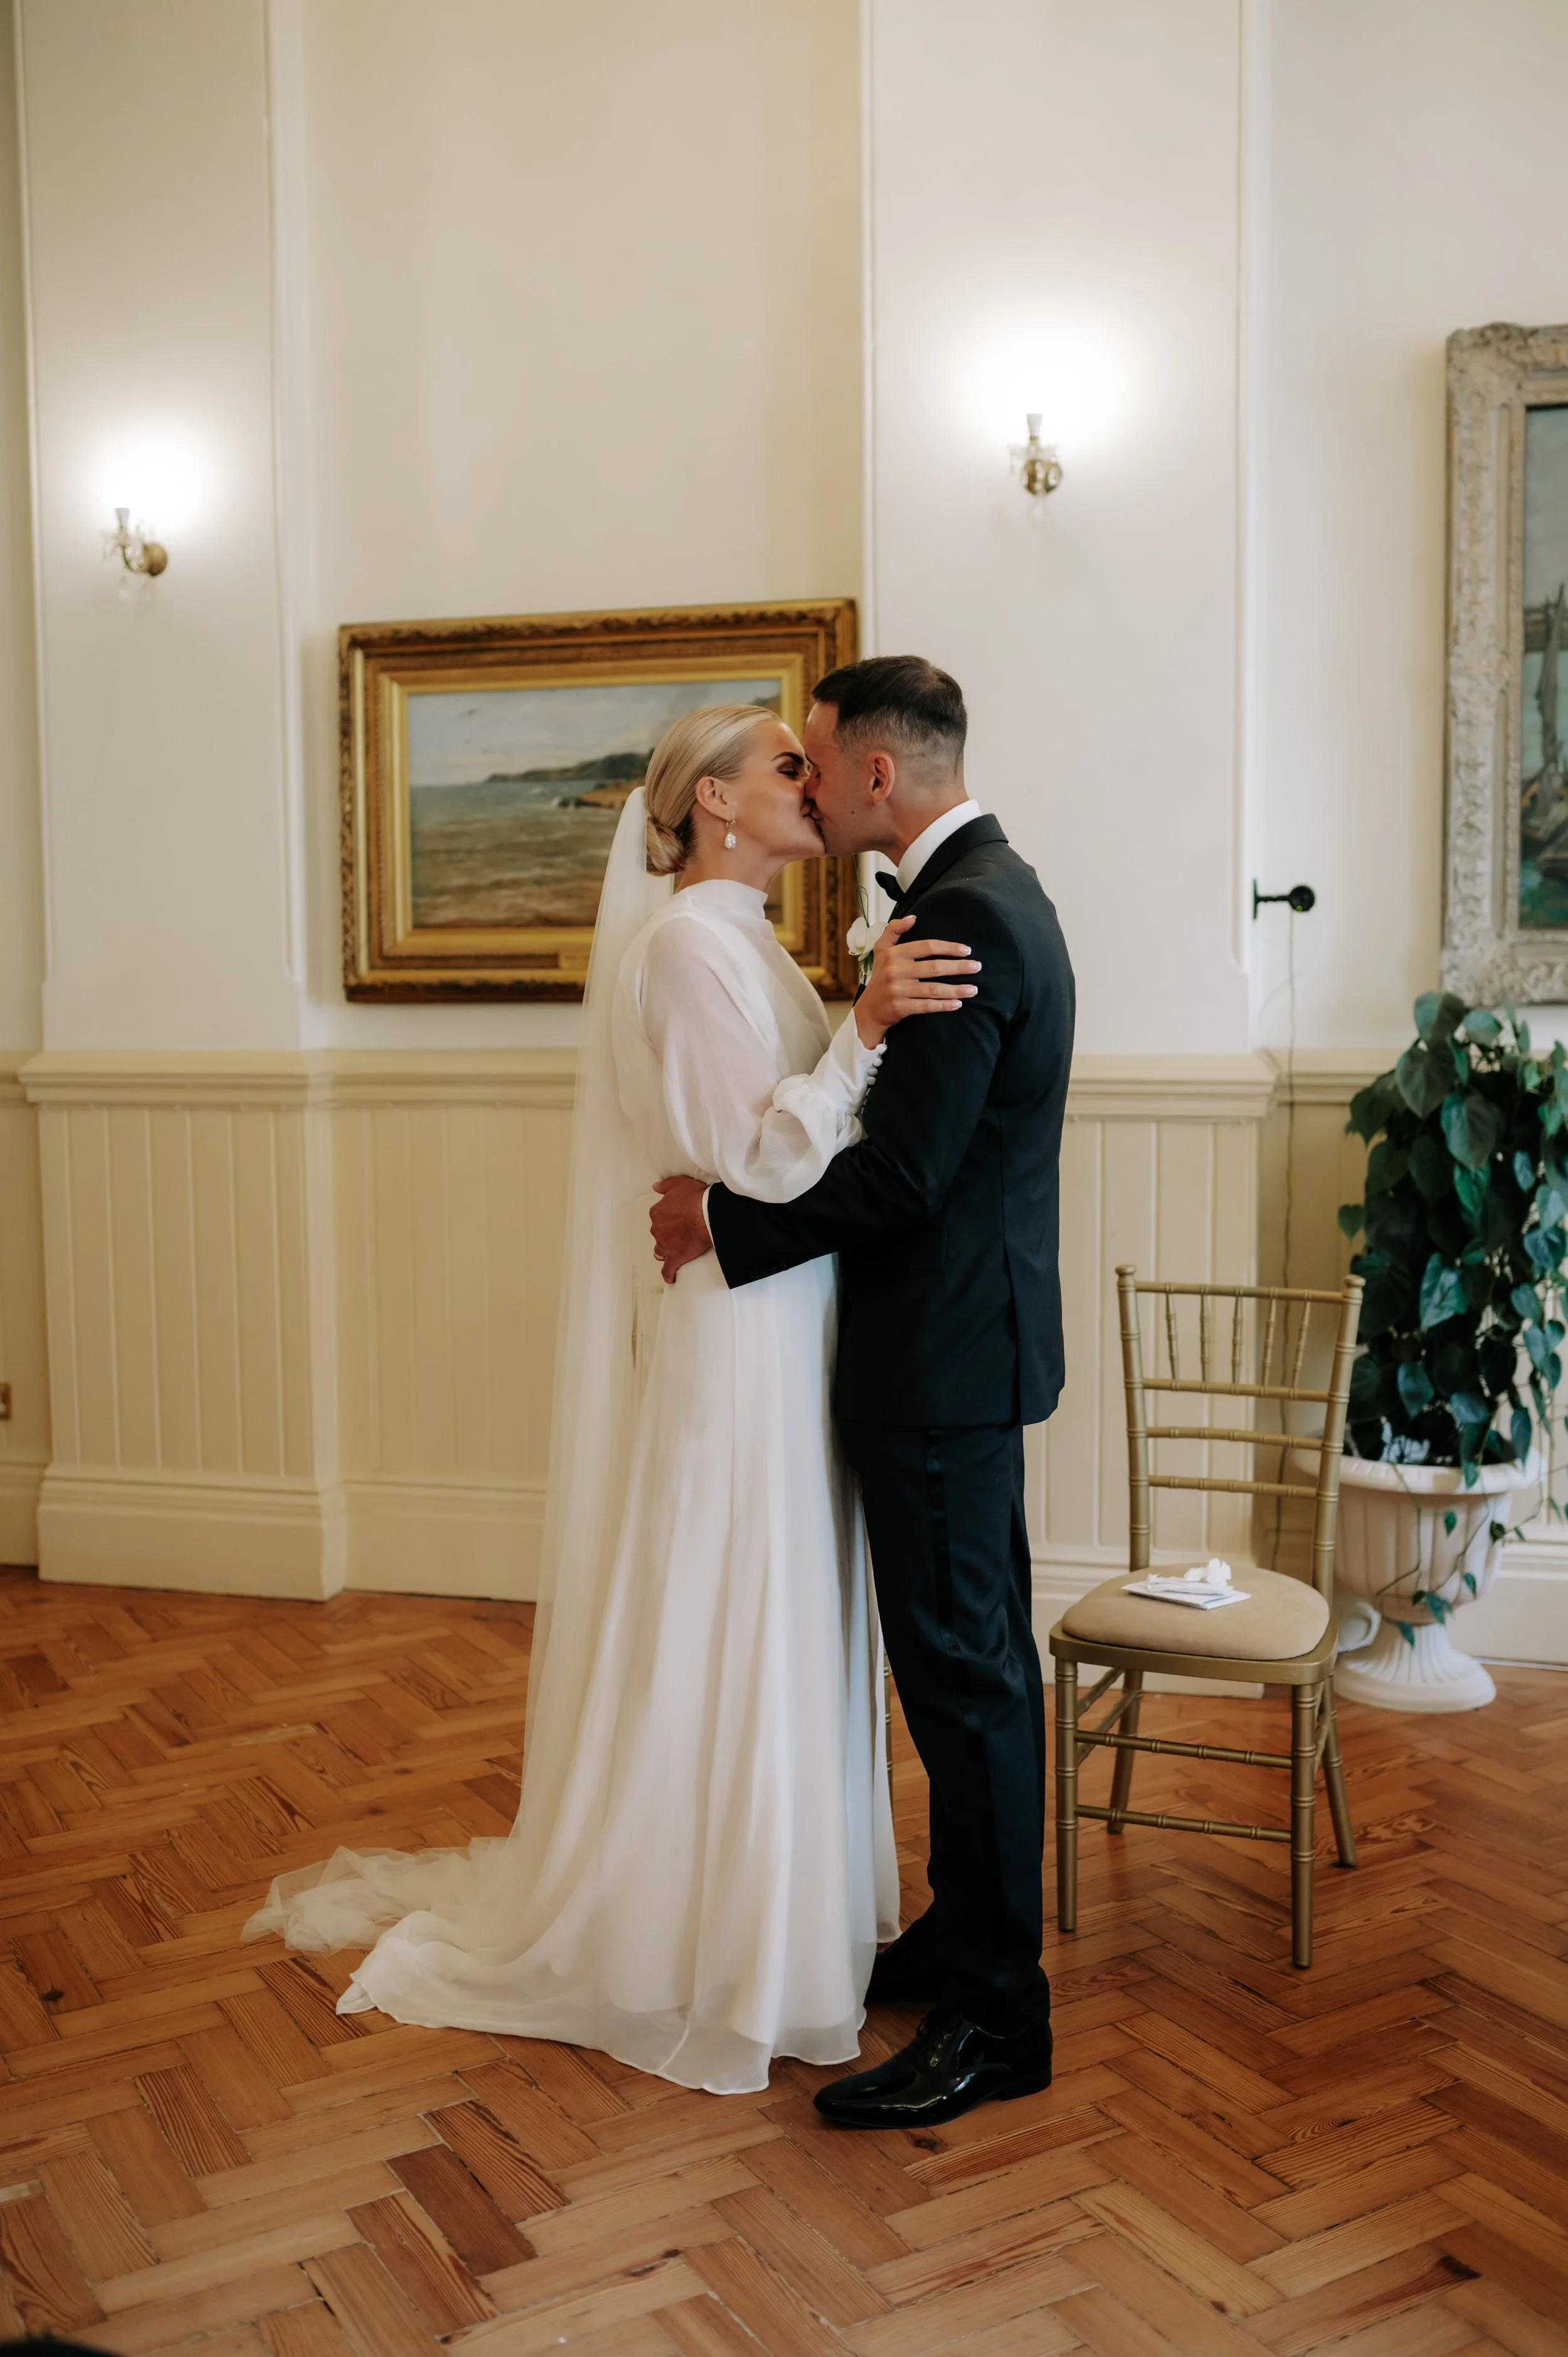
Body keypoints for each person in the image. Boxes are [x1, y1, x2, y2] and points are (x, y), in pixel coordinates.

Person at [245, 702, 981, 2097]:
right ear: (713, 800)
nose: (811, 783)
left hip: (788, 1311)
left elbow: (784, 1151)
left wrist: (855, 1027)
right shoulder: (684, 949)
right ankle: (697, 1940)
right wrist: (867, 1026)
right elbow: (752, 1162)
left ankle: (782, 1926)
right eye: (785, 766)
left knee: (783, 1597)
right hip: (741, 1328)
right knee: (731, 1598)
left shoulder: (747, 941)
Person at [651, 655, 1076, 2130]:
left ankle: (995, 2021)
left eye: (818, 763)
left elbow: (904, 1178)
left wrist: (724, 1226)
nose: (812, 787)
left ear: (876, 775)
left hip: (939, 1360)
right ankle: (964, 1944)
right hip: (956, 1350)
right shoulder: (980, 893)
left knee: (964, 1684)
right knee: (967, 1673)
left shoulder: (961, 915)